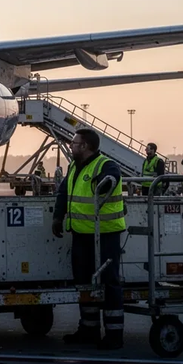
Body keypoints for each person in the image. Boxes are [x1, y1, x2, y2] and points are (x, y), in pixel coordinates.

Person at [52, 129, 125, 350]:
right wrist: (57, 217)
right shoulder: (74, 166)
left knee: (109, 281)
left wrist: (106, 181)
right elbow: (64, 192)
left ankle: (114, 333)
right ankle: (89, 329)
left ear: (85, 146)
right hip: (81, 234)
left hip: (105, 234)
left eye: (74, 143)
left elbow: (114, 176)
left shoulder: (105, 165)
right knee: (83, 281)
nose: (71, 146)